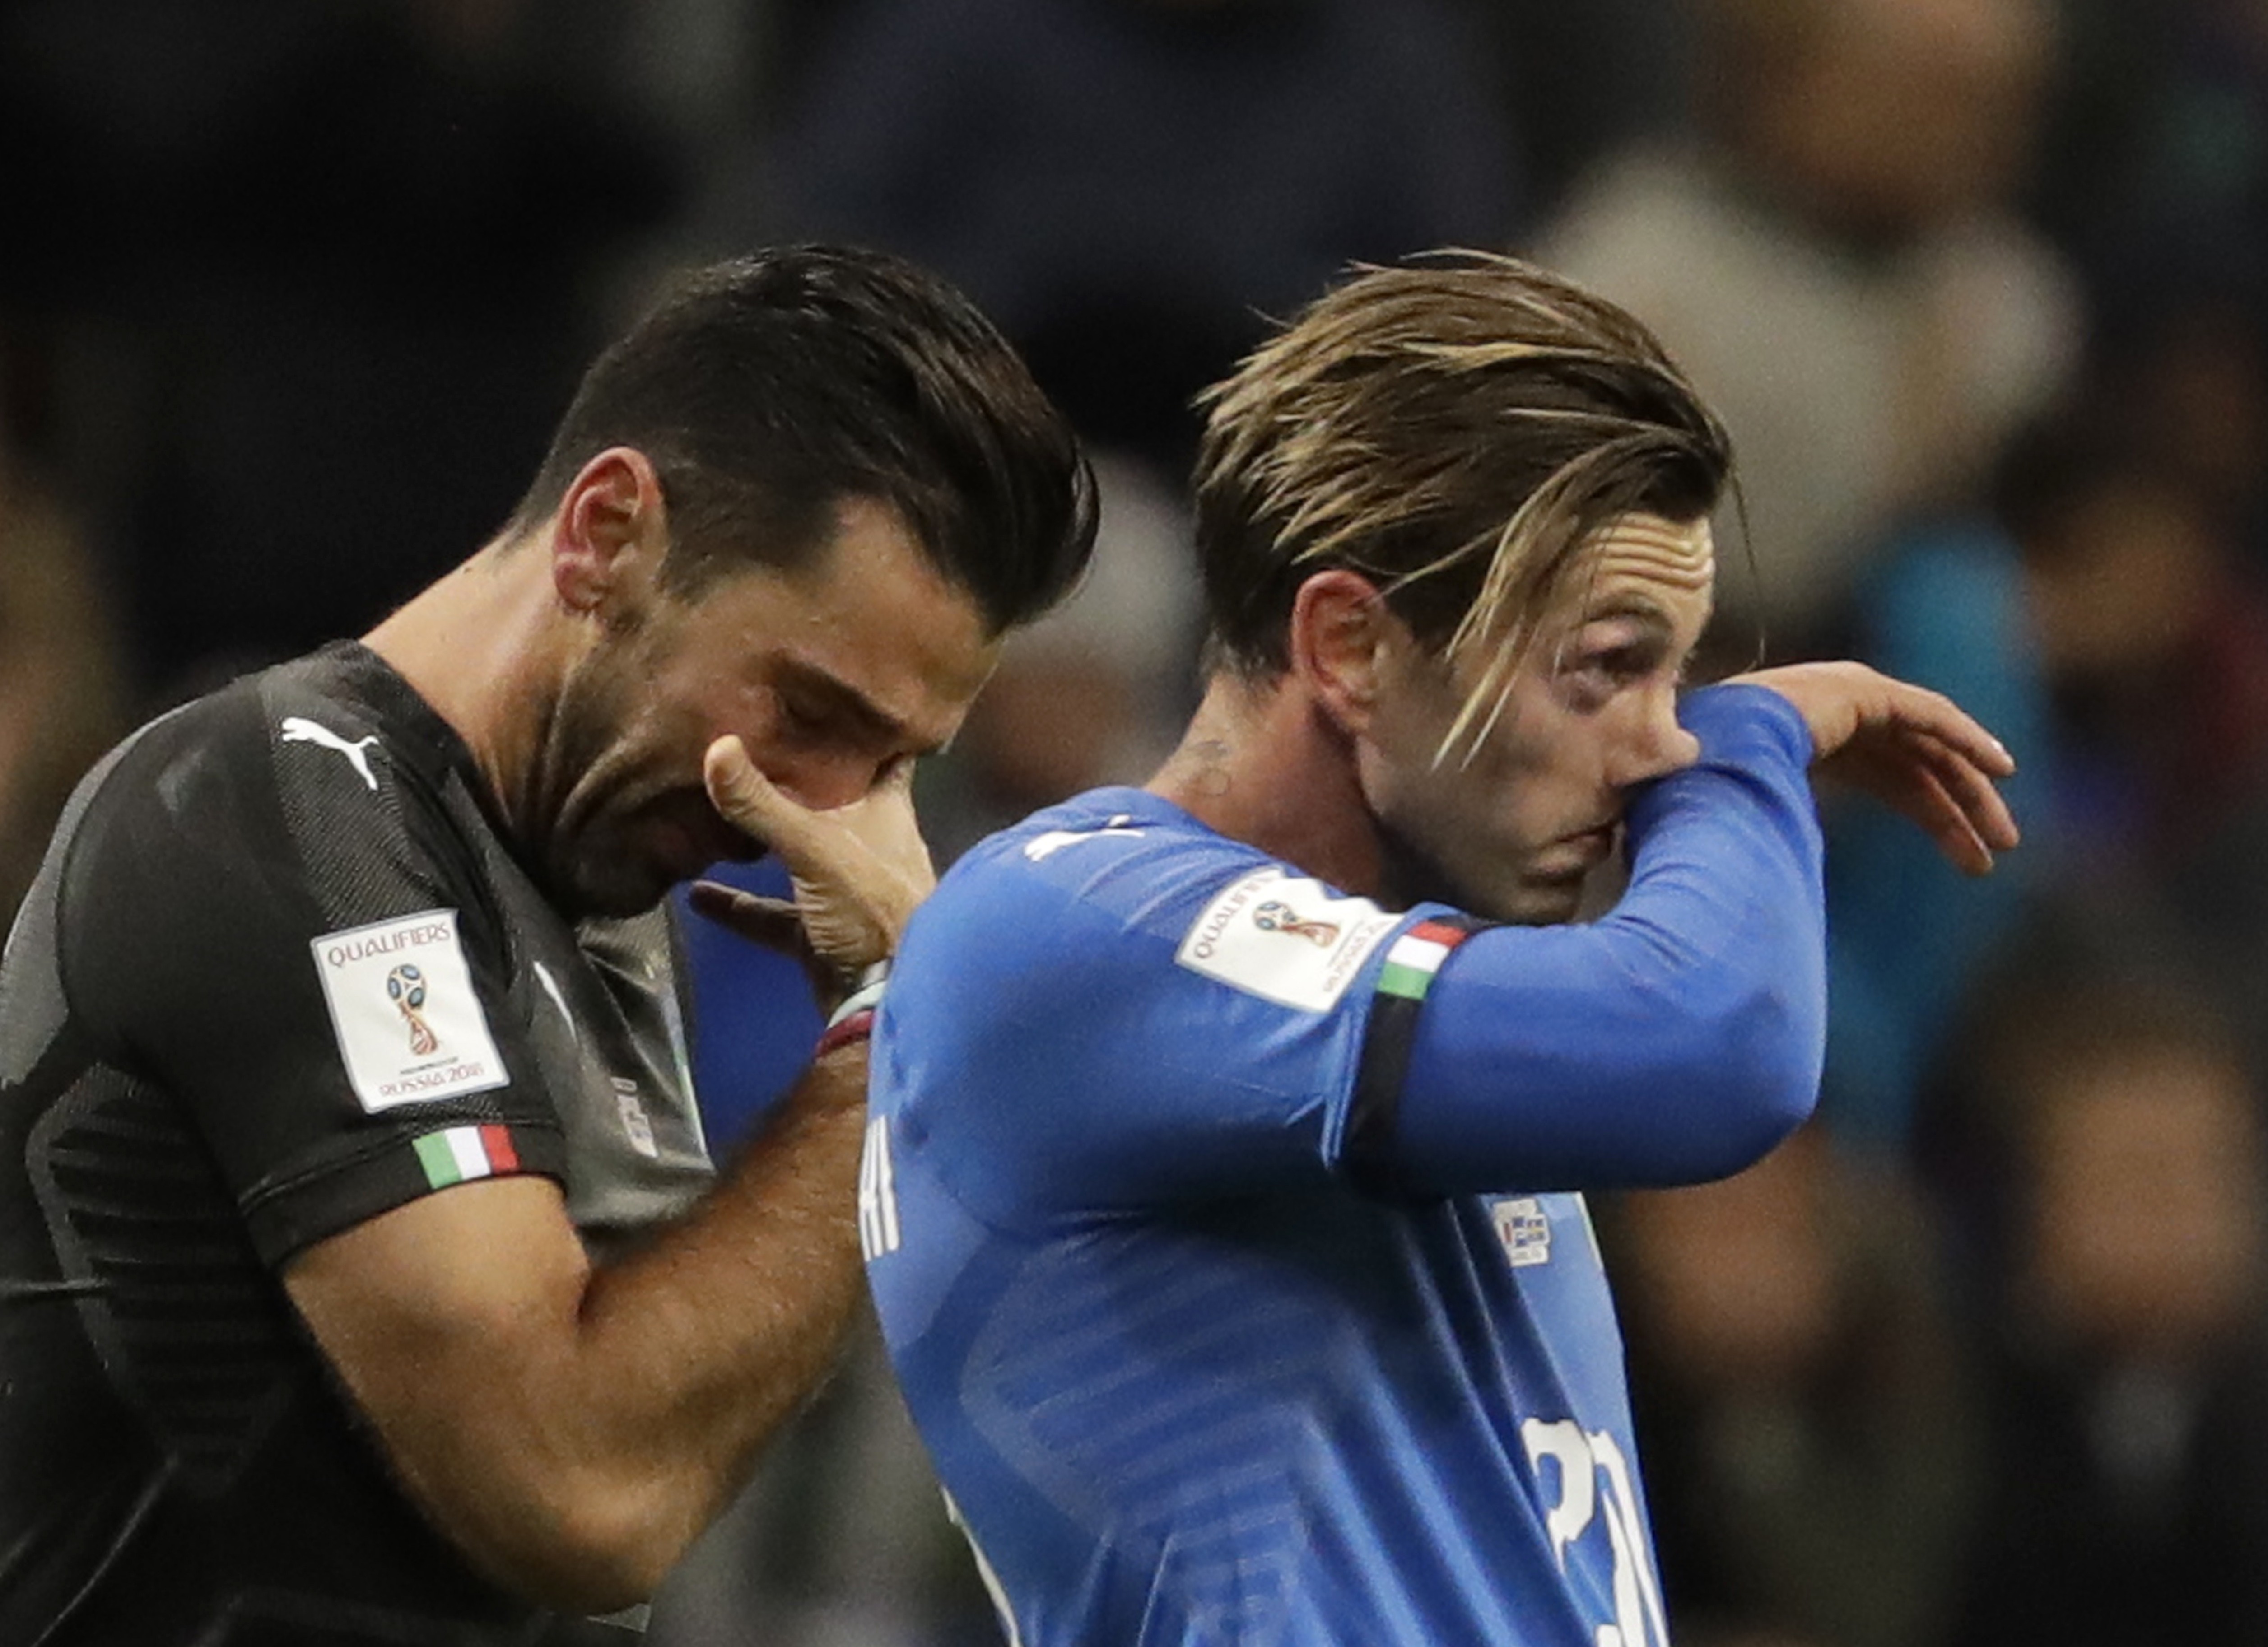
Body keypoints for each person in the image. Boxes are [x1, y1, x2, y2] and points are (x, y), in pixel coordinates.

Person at [0, 243, 1098, 1647]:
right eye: (811, 708)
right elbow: (577, 1494)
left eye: (896, 765)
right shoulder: (285, 811)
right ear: (606, 533)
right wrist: (894, 1049)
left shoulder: (597, 894)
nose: (829, 812)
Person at [862, 254, 2018, 1644]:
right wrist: (1754, 751)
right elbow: (1714, 1045)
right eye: (1606, 667)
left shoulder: (1408, 998)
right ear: (1352, 646)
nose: (1664, 746)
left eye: (1686, 676)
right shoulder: (1073, 918)